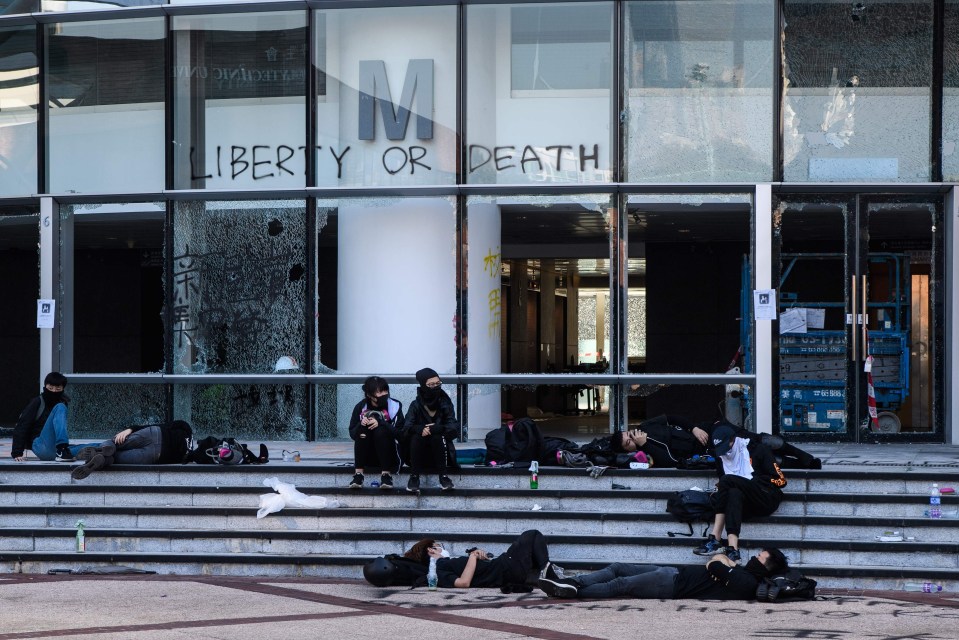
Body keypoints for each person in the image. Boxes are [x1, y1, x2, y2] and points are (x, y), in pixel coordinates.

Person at [538, 547, 788, 600]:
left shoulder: (747, 580)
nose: (754, 556)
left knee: (621, 584)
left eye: (759, 557)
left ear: (766, 566)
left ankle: (571, 591)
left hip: (671, 585)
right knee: (617, 567)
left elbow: (714, 563)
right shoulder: (743, 573)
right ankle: (572, 582)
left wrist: (721, 560)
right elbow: (719, 562)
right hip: (672, 573)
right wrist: (723, 562)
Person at [694, 424, 787, 562]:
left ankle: (715, 537)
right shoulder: (721, 458)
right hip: (743, 505)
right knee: (733, 492)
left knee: (727, 481)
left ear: (734, 439)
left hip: (765, 497)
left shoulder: (758, 450)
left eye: (727, 446)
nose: (725, 452)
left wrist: (754, 482)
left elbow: (781, 481)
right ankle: (733, 548)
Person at [405, 529, 550, 591]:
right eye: (438, 546)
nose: (441, 547)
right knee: (531, 535)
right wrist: (473, 556)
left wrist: (477, 557)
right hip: (504, 568)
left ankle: (536, 575)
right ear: (430, 550)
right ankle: (547, 573)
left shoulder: (444, 564)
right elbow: (463, 582)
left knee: (530, 546)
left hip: (501, 568)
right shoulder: (438, 569)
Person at [399, 367, 459, 493]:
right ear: (423, 386)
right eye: (431, 384)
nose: (436, 387)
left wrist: (439, 428)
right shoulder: (415, 405)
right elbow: (405, 430)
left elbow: (454, 428)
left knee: (436, 436)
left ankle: (443, 476)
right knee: (417, 436)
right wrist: (419, 429)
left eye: (438, 383)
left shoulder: (445, 403)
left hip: (441, 453)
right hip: (416, 456)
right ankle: (414, 477)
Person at [71, 420, 194, 480]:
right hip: (155, 455)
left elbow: (164, 425)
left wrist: (130, 429)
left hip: (155, 434)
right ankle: (102, 460)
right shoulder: (188, 456)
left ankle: (101, 450)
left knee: (115, 443)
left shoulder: (186, 428)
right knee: (116, 458)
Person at [12, 372, 85, 462]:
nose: (54, 391)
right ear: (45, 386)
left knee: (94, 446)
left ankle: (103, 451)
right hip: (41, 446)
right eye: (50, 388)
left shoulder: (64, 402)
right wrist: (17, 452)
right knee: (60, 406)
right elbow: (21, 427)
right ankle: (62, 450)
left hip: (54, 450)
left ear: (63, 389)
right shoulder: (38, 402)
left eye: (58, 389)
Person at [348, 376, 403, 490]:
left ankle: (386, 475)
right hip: (367, 457)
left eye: (385, 390)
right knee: (362, 430)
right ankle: (358, 475)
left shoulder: (394, 406)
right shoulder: (361, 407)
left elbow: (401, 434)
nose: (384, 394)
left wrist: (382, 423)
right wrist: (361, 423)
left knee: (381, 430)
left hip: (390, 456)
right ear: (369, 395)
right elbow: (353, 434)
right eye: (379, 392)